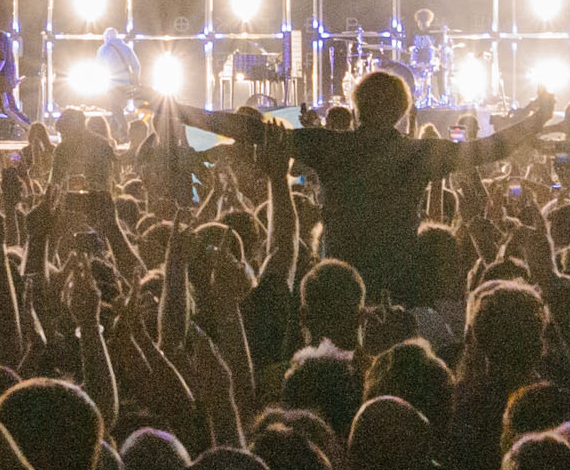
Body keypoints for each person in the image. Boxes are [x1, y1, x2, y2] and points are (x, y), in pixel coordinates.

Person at [216, 68, 545, 305]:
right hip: (399, 283)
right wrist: (536, 120)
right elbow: (495, 146)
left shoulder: (332, 147)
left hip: (339, 283)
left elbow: (250, 130)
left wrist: (180, 113)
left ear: (357, 107)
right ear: (402, 112)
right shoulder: (418, 154)